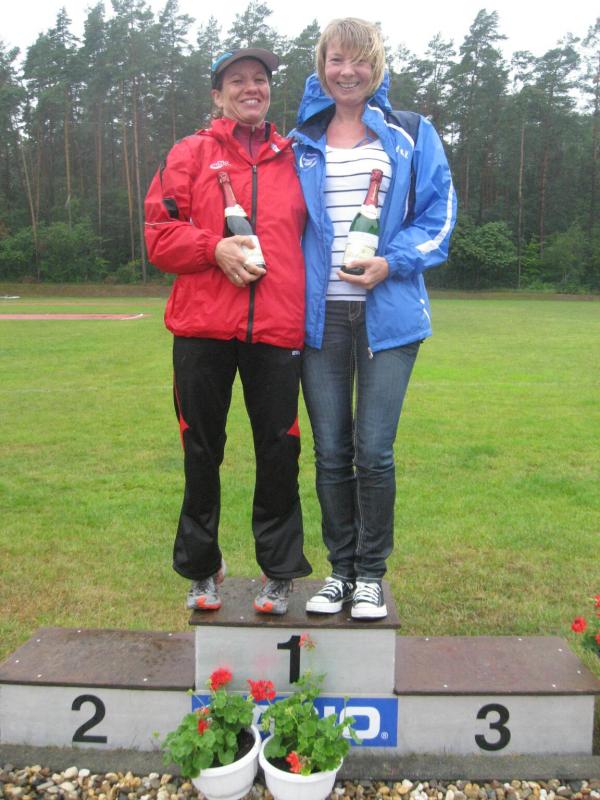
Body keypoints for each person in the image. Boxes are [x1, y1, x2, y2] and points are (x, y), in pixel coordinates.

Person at [292, 19, 456, 620]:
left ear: (377, 66)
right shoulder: (299, 141)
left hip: (388, 319)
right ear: (322, 65)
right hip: (321, 320)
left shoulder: (412, 132)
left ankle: (370, 576)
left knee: (374, 452)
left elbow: (439, 214)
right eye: (337, 59)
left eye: (360, 60)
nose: (348, 72)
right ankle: (339, 572)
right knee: (331, 452)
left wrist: (392, 262)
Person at [144, 48, 312, 616]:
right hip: (202, 329)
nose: (250, 87)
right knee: (201, 449)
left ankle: (279, 570)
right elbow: (159, 234)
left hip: (277, 329)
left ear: (270, 91)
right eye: (236, 80)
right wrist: (213, 248)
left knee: (280, 451)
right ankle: (202, 566)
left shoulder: (296, 158)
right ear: (217, 95)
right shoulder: (189, 153)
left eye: (259, 79)